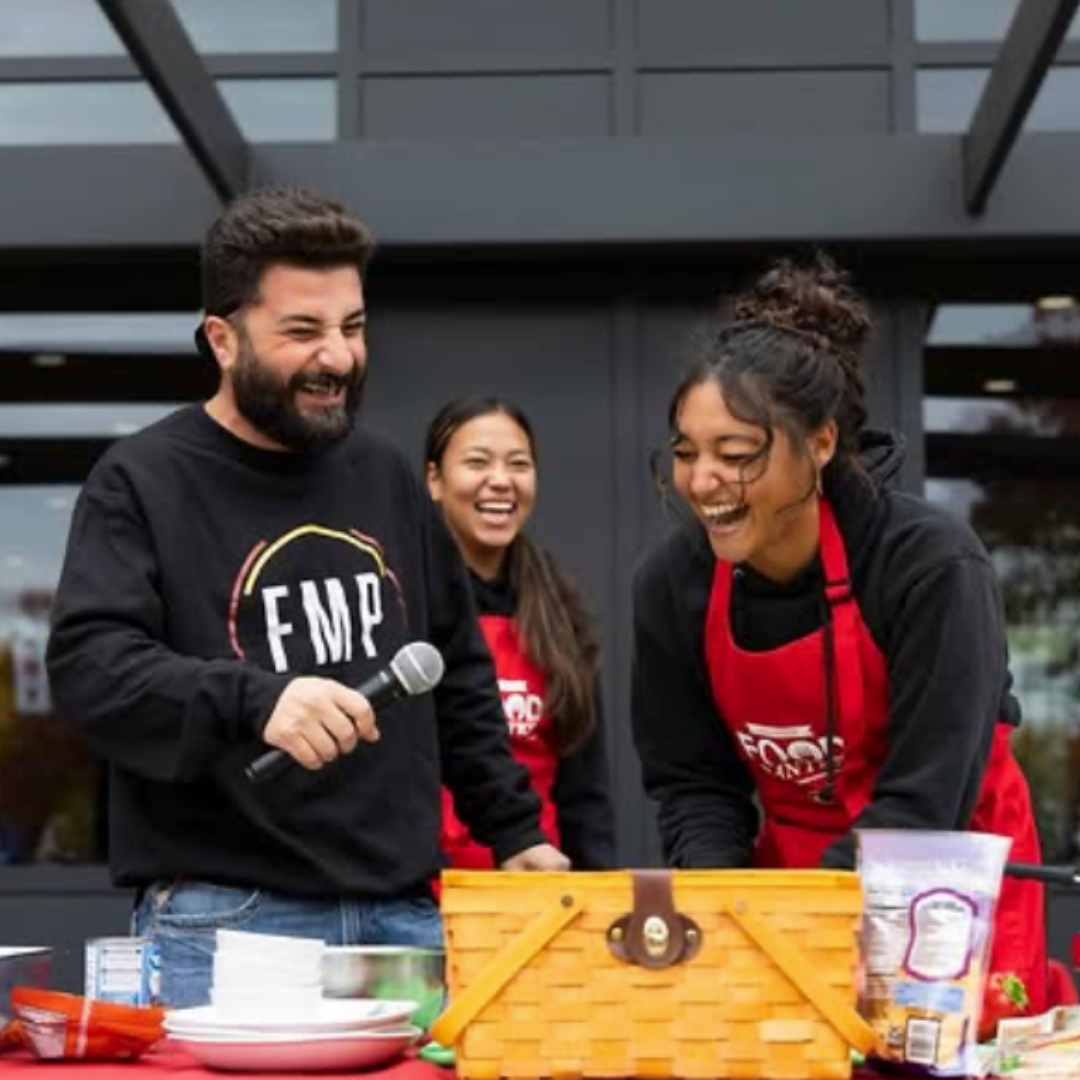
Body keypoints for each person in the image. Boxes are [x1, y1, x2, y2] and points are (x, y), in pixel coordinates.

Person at [45, 186, 567, 1009]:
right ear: (222, 339)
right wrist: (257, 700)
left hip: (405, 917)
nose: (339, 357)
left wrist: (514, 832)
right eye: (302, 331)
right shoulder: (142, 481)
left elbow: (456, 671)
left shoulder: (386, 474)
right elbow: (91, 669)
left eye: (352, 327)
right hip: (228, 923)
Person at [631, 254, 1049, 1011]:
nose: (703, 481)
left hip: (949, 892)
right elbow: (694, 783)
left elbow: (926, 796)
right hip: (790, 893)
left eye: (737, 454)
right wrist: (726, 910)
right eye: (687, 454)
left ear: (821, 443)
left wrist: (815, 923)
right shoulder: (672, 583)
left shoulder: (928, 566)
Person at [424, 397, 615, 872]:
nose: (500, 480)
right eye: (477, 462)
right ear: (434, 480)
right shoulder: (405, 601)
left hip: (537, 889)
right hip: (423, 894)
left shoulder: (558, 610)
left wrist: (592, 890)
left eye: (518, 464)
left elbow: (584, 793)